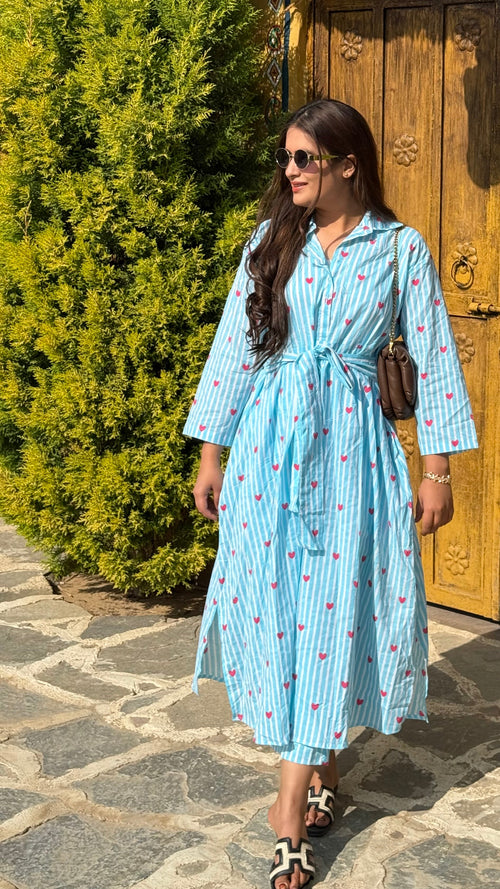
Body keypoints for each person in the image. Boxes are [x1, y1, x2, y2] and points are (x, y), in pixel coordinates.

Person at [183, 99, 478, 889]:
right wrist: (211, 453)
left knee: (334, 606)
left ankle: (287, 808)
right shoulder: (271, 241)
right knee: (284, 609)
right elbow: (236, 349)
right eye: (285, 158)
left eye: (304, 158)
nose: (290, 171)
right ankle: (323, 767)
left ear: (349, 164)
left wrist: (437, 471)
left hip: (352, 457)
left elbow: (434, 362)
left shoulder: (399, 249)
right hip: (268, 453)